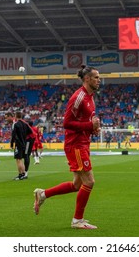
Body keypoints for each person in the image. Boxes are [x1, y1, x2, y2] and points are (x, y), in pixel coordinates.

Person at [33, 65, 101, 230]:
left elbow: (87, 121)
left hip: (83, 143)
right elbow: (66, 123)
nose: (99, 80)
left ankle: (42, 194)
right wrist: (89, 126)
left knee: (78, 184)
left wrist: (93, 128)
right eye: (96, 77)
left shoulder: (90, 97)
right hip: (76, 145)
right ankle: (77, 220)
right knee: (89, 181)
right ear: (87, 79)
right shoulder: (78, 97)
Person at [9, 111, 35, 180]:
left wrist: (12, 144)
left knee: (22, 157)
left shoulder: (17, 124)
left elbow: (14, 135)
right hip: (25, 141)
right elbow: (31, 131)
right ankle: (24, 173)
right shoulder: (25, 123)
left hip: (25, 141)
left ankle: (23, 174)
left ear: (15, 116)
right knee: (24, 156)